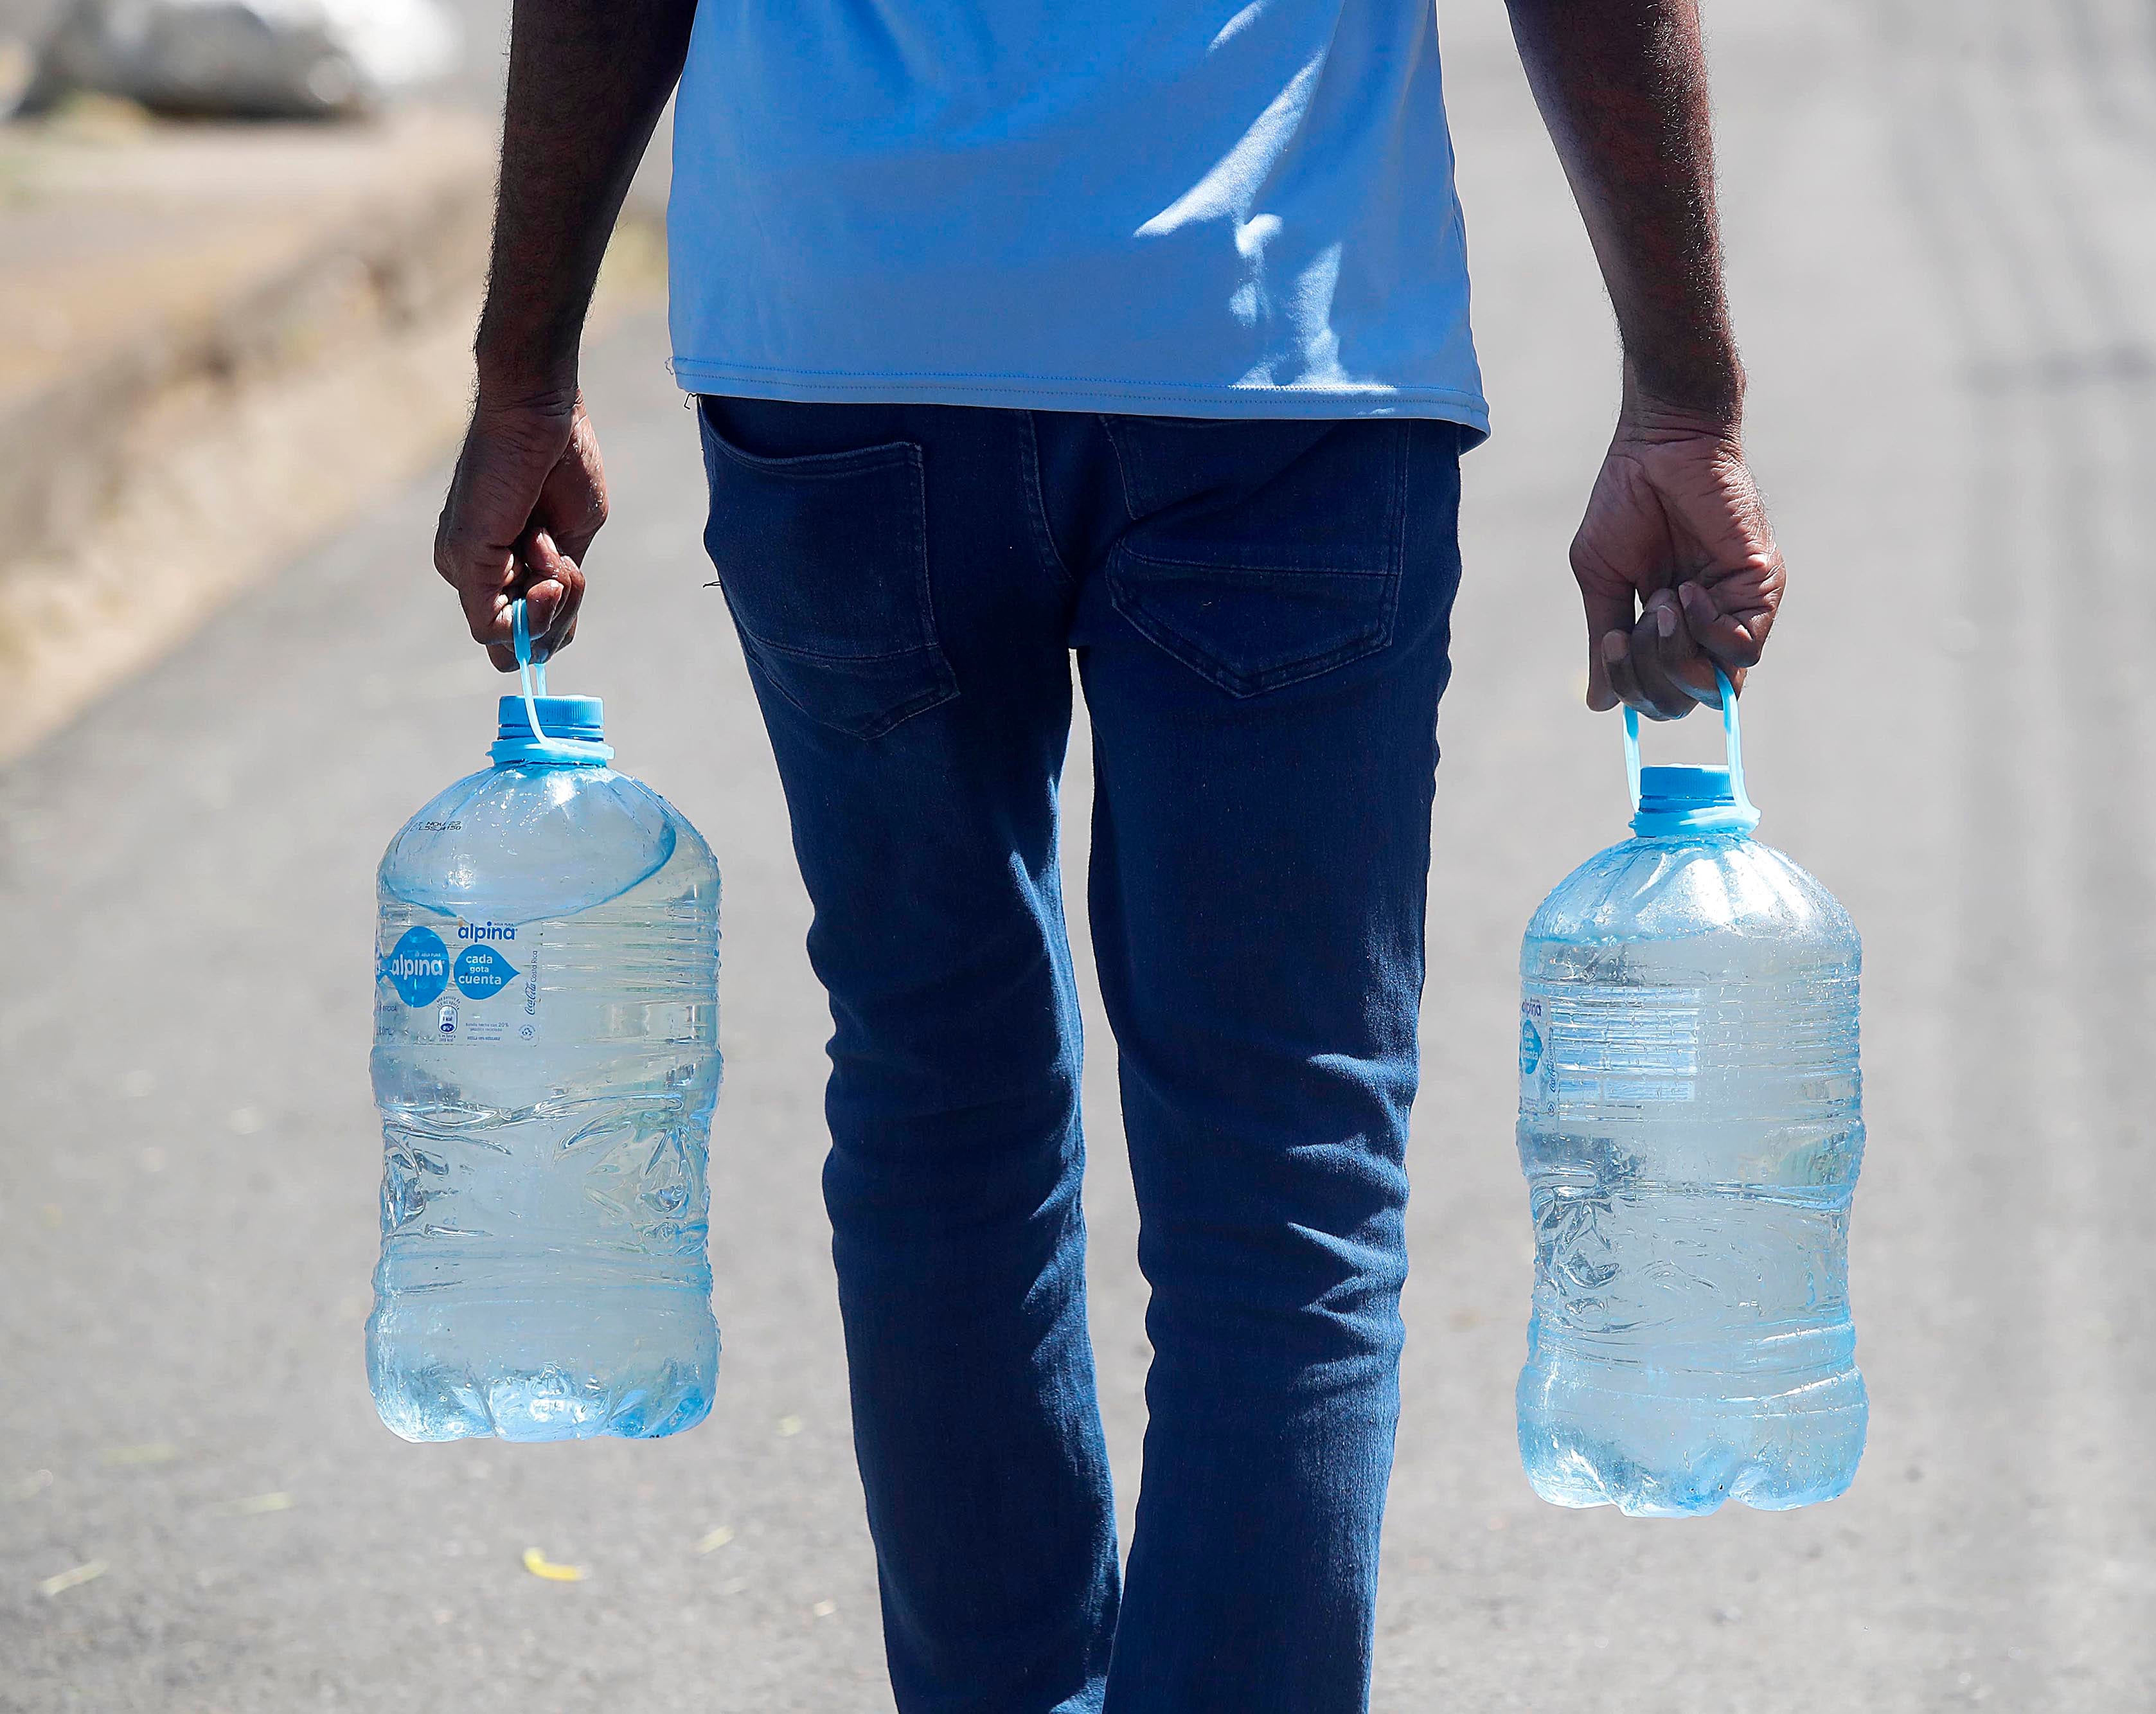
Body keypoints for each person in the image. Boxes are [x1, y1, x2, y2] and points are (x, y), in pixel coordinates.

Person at [431, 0, 1783, 1707]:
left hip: (849, 326)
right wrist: (1684, 396)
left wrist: (523, 371)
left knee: (938, 1091)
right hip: (1275, 352)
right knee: (1285, 1161)